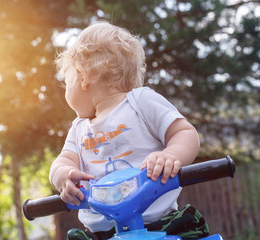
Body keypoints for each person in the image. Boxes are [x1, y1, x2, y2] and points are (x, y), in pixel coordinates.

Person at [49, 22, 206, 240]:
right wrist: (63, 176)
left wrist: (170, 156)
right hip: (101, 234)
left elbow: (184, 133)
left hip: (159, 226)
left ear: (81, 76)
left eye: (67, 82)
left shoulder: (140, 102)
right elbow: (63, 161)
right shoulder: (79, 128)